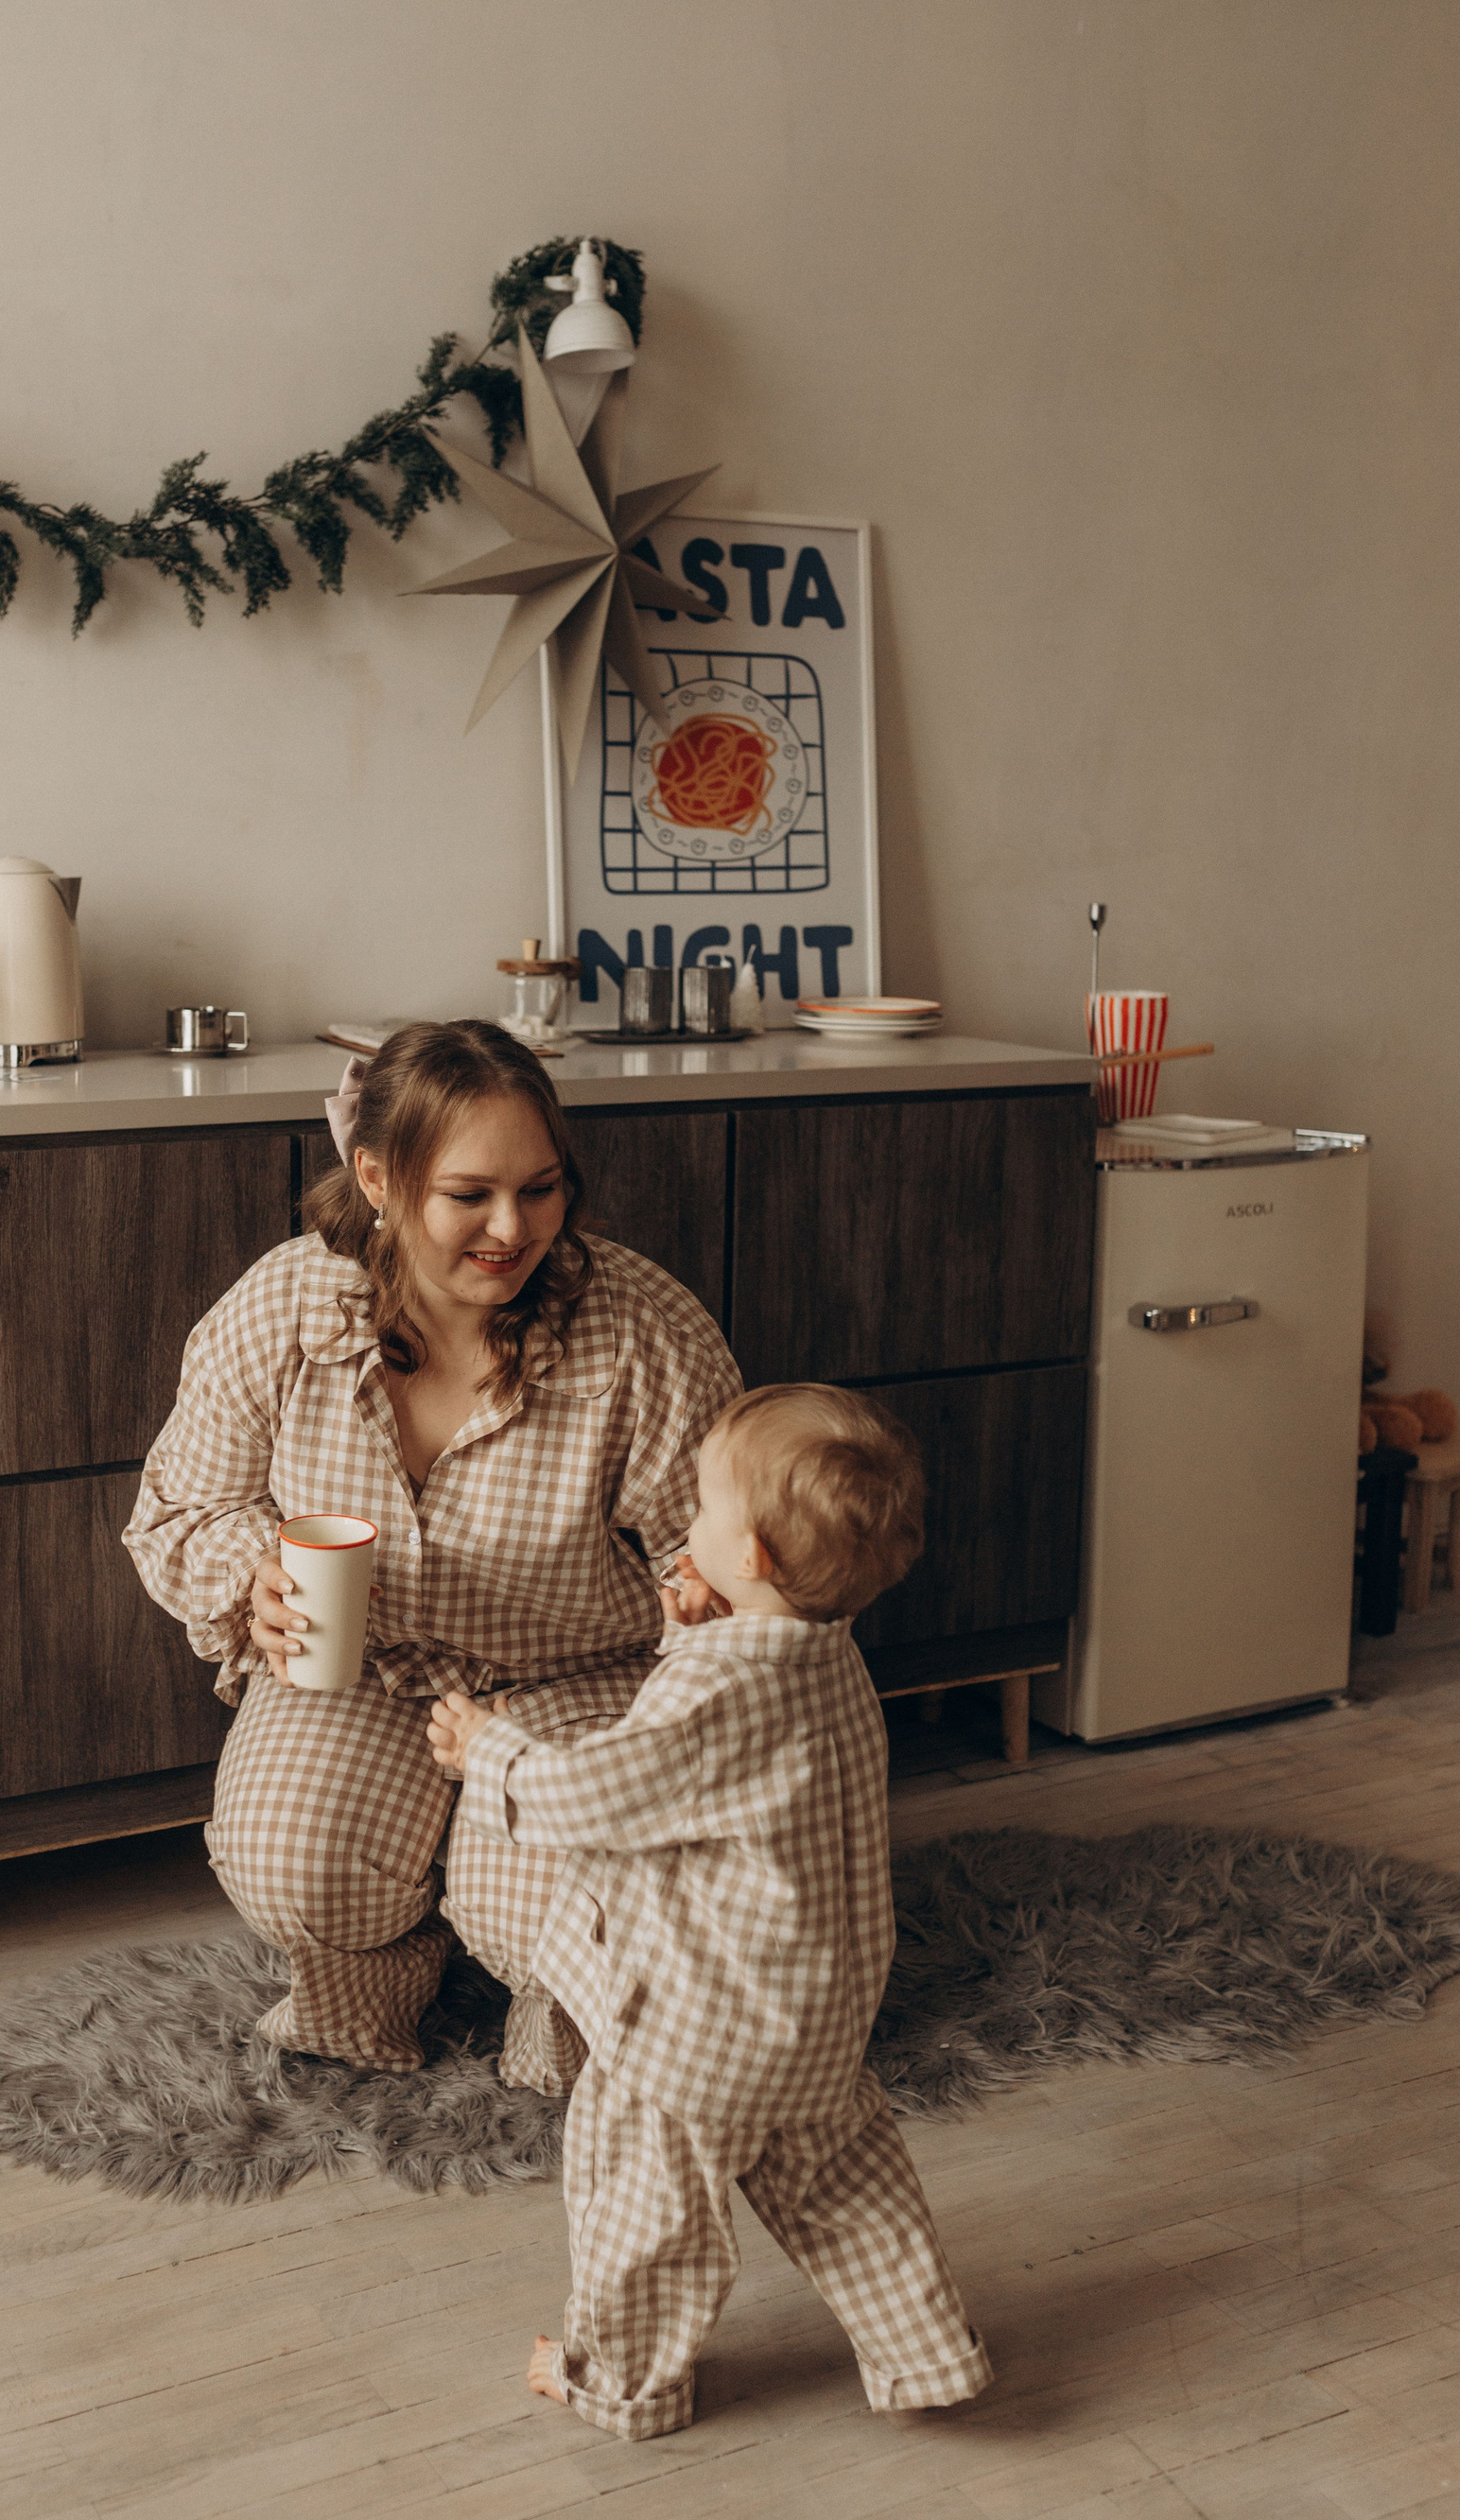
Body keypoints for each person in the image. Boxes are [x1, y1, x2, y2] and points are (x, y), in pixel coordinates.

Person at [124, 1018, 741, 2089]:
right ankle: (375, 1974)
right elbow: (180, 1508)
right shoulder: (283, 1307)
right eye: (470, 1195)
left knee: (571, 1911)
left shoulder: (643, 1328)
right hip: (365, 1667)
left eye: (541, 1190)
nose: (513, 1228)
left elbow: (721, 1557)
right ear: (378, 1177)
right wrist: (254, 1576)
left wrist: (706, 1616)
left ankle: (551, 1986)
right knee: (287, 1854)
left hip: (580, 1677)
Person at [426, 1382, 993, 2440]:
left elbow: (600, 1793)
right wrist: (699, 1620)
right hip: (814, 2021)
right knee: (847, 2188)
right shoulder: (825, 1654)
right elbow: (731, 1732)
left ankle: (621, 2382)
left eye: (701, 1511)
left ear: (753, 1557)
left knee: (643, 2213)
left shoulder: (715, 1695)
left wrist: (490, 1751)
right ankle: (926, 2354)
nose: (684, 1527)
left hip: (693, 2040)